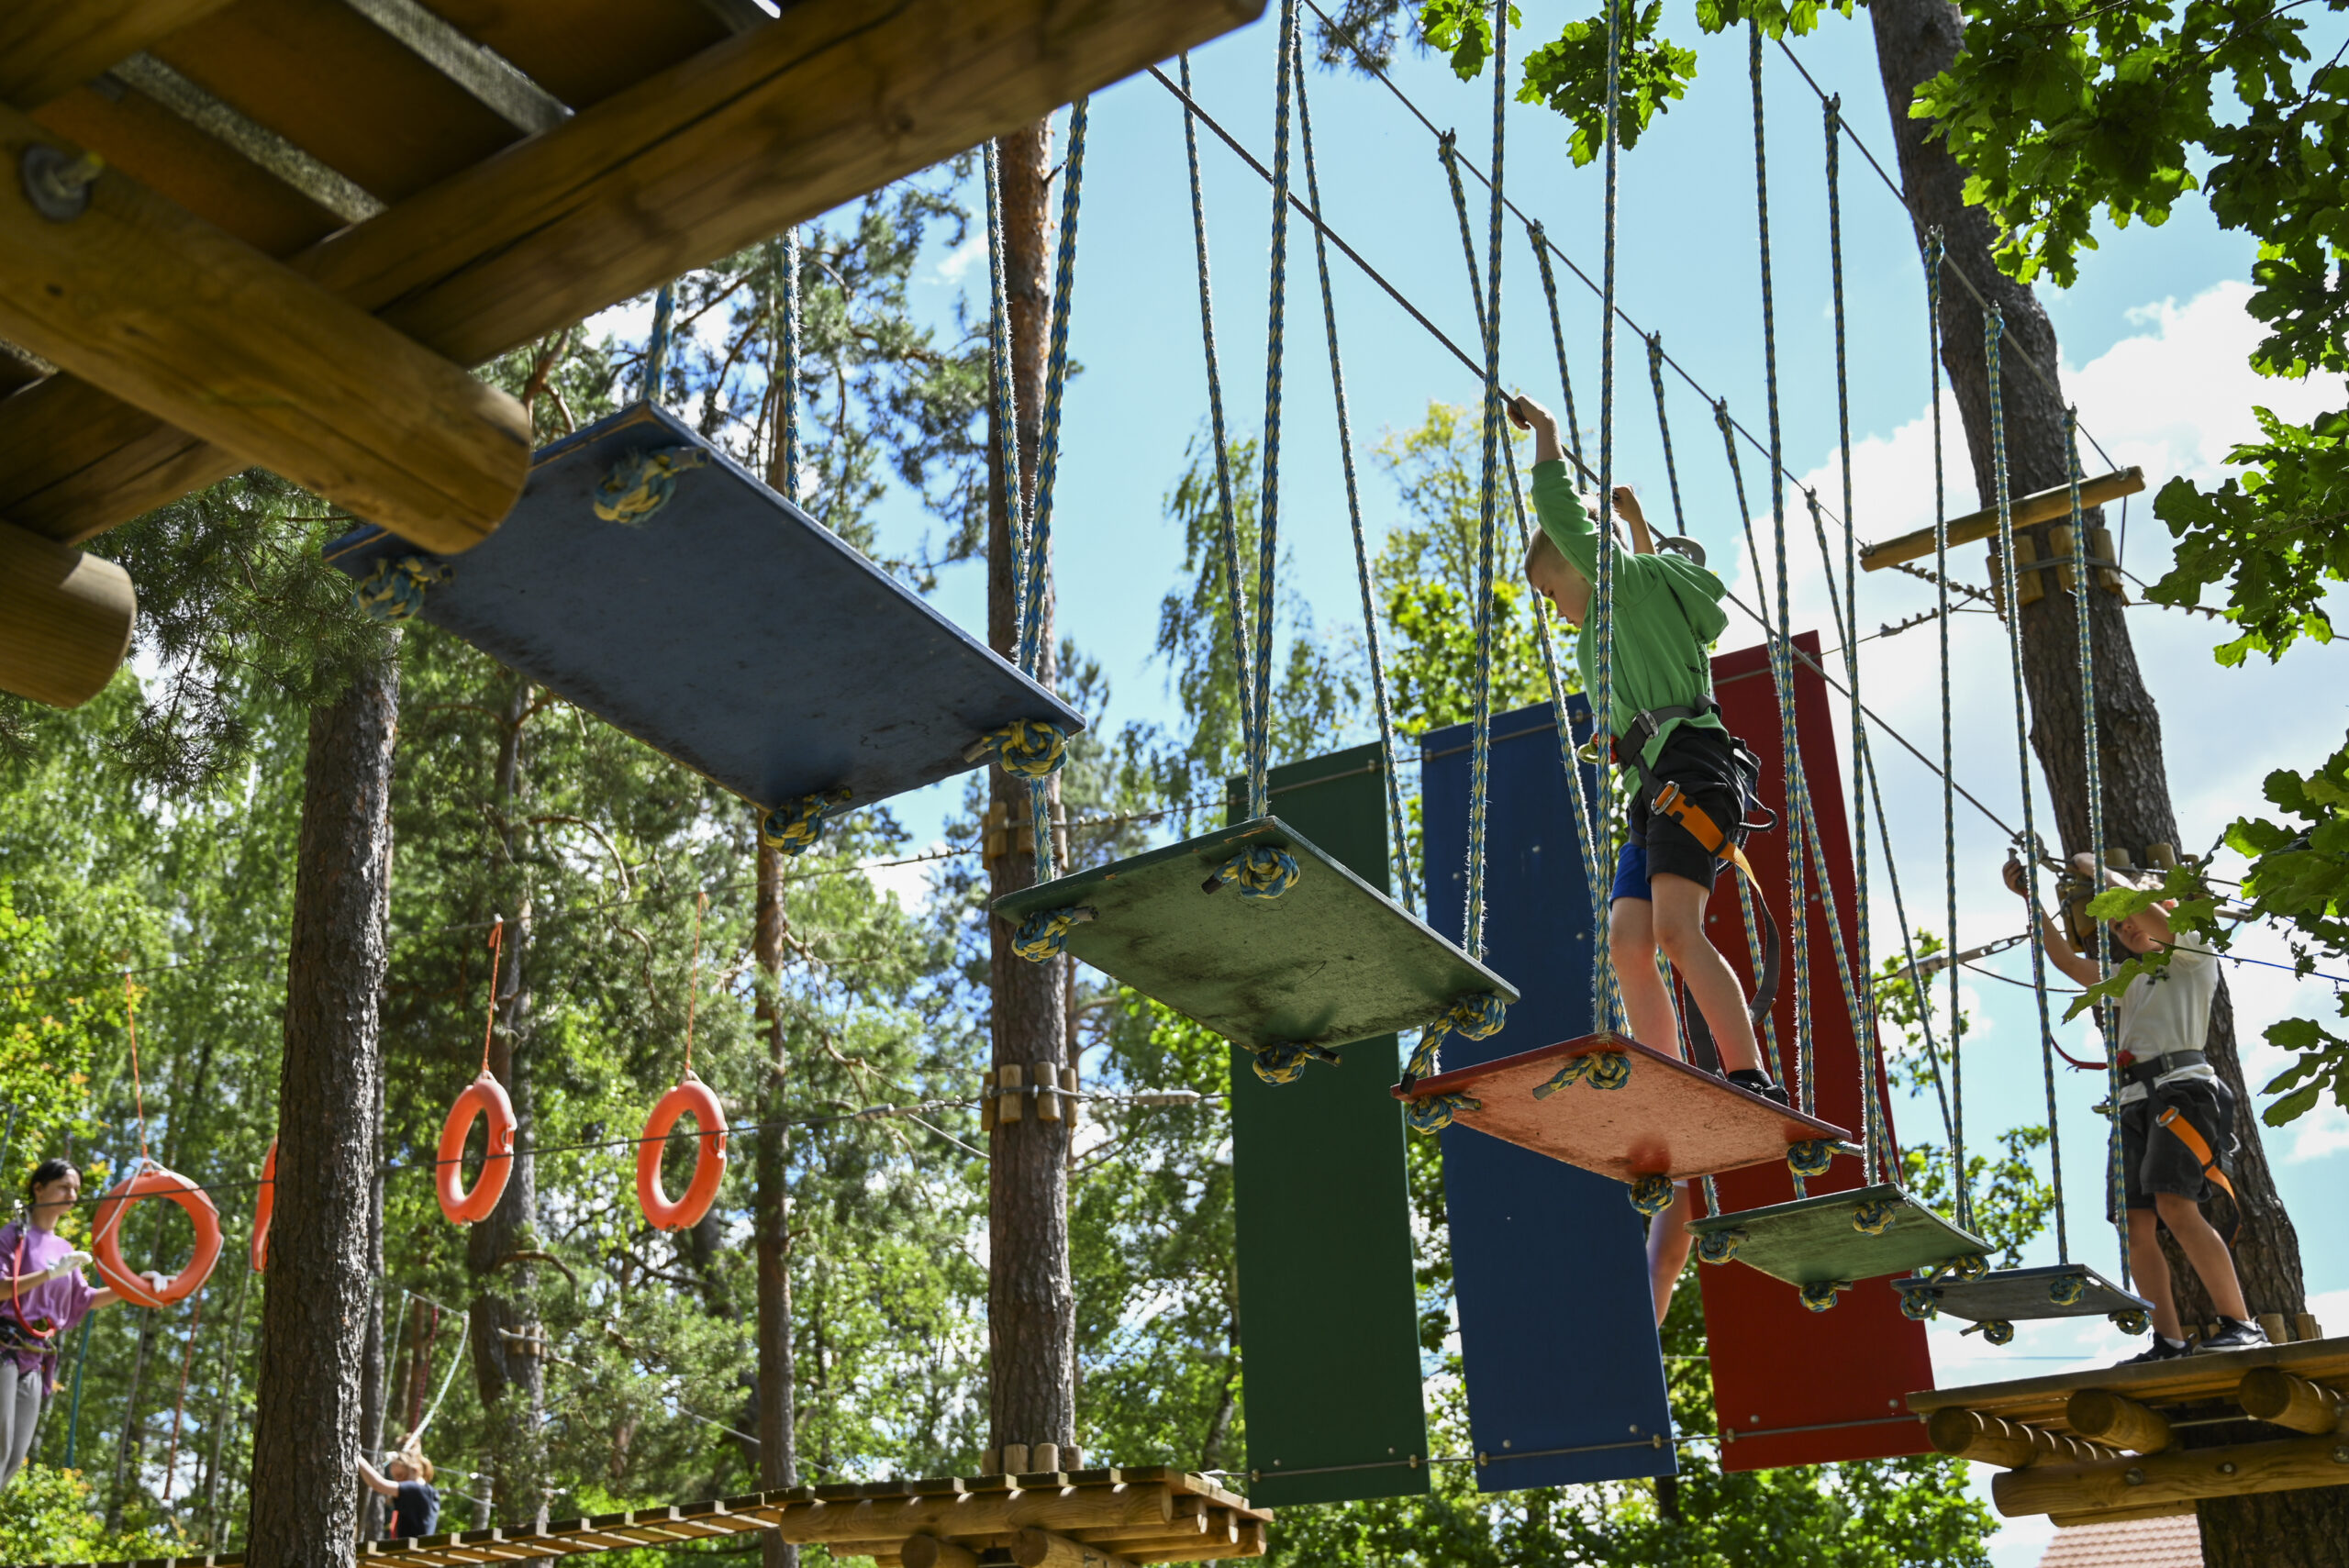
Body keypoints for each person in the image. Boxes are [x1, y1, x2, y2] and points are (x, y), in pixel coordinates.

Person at [1514, 394, 1787, 1326]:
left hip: (1692, 769)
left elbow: (1567, 520)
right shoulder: (1629, 620)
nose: (1555, 612)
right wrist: (1637, 525)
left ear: (1586, 565)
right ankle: (1665, 1064)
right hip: (1656, 778)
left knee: (1674, 929)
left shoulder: (1618, 590)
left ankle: (1747, 1071)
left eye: (1552, 591)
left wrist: (1546, 438)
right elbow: (1671, 574)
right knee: (1629, 937)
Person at [2004, 851, 2269, 1360]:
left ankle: (2241, 1323)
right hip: (2134, 1100)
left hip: (2181, 1092)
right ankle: (2168, 1338)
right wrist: (2029, 901)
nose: (2125, 926)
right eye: (2118, 923)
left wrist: (2098, 870)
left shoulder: (2193, 954)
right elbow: (2063, 960)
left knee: (2176, 1205)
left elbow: (2141, 907)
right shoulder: (2127, 979)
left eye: (2133, 916)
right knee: (2135, 1223)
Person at [0, 1158, 133, 1487]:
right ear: (39, 1188)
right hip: (4, 1347)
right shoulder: (13, 1235)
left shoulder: (64, 1249)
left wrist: (136, 1287)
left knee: (15, 1456)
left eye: (75, 1189)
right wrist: (49, 1273)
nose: (71, 1194)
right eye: (64, 1186)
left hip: (35, 1357)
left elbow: (84, 1300)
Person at [359, 1446, 441, 1540]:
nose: (399, 1481)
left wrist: (358, 1457)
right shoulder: (428, 1492)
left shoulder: (416, 1489)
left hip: (413, 1547)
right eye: (395, 1478)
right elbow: (386, 1498)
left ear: (415, 1470)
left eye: (400, 1475)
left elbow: (378, 1485)